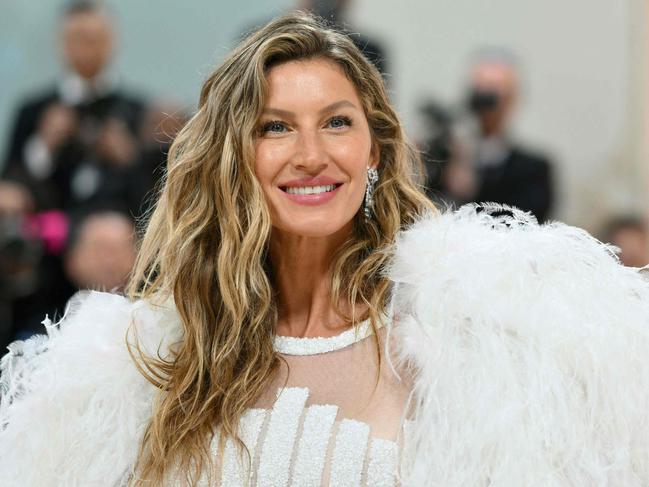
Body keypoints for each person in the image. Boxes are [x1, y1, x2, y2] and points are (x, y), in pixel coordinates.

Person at [2, 12, 649, 486]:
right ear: (235, 159)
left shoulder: (461, 341)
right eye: (275, 126)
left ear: (373, 149)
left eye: (336, 121)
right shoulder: (152, 356)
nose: (310, 155)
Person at [2, 0, 146, 213]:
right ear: (61, 44)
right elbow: (10, 186)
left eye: (94, 38)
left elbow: (153, 191)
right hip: (48, 236)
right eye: (78, 38)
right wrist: (44, 145)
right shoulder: (32, 111)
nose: (86, 47)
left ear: (112, 41)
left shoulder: (140, 112)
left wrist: (129, 157)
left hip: (122, 237)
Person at [437, 50, 555, 222]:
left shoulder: (532, 169)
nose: (484, 100)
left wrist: (472, 186)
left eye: (494, 92)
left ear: (512, 99)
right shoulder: (442, 155)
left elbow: (524, 221)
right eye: (479, 89)